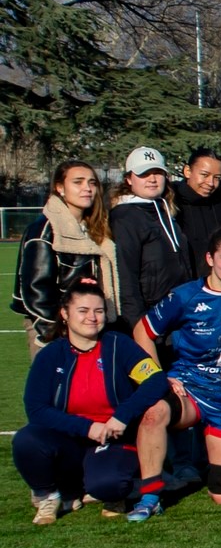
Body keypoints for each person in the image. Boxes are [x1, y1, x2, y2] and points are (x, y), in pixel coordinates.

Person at [129, 227, 221, 520]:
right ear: (209, 258)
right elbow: (142, 331)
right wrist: (158, 377)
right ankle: (150, 495)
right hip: (190, 390)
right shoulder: (185, 296)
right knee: (154, 413)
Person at [13, 281, 169, 524]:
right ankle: (50, 495)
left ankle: (101, 487)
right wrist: (87, 428)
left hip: (111, 438)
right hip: (70, 439)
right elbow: (36, 409)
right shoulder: (51, 355)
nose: (92, 318)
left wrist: (121, 416)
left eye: (98, 311)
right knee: (26, 439)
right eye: (83, 311)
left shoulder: (118, 345)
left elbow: (156, 381)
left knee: (109, 485)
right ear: (65, 314)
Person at [13, 161, 119, 358]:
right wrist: (56, 333)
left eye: (92, 183)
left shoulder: (95, 228)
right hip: (56, 330)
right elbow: (36, 292)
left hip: (89, 324)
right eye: (78, 182)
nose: (87, 188)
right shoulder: (45, 230)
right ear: (60, 187)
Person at [110, 145, 191, 333]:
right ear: (129, 179)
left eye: (158, 173)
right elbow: (126, 277)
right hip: (150, 318)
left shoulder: (165, 211)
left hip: (177, 314)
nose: (152, 179)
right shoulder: (125, 217)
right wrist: (139, 328)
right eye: (144, 174)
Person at [172, 147, 221, 280]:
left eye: (217, 178)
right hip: (183, 283)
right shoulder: (172, 202)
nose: (210, 183)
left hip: (214, 282)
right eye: (204, 175)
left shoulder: (220, 204)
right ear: (188, 171)